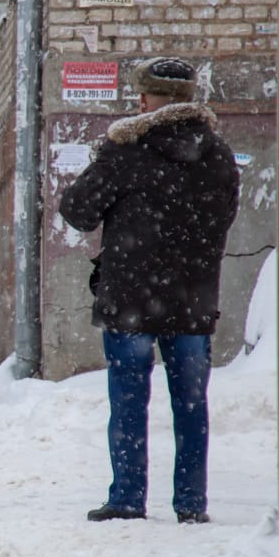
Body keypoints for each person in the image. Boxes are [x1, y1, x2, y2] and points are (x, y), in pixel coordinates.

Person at [59, 56, 240, 523]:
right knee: (191, 404)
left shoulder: (127, 150)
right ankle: (191, 503)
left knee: (128, 400)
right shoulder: (218, 154)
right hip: (193, 299)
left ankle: (127, 497)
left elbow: (78, 210)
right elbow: (225, 217)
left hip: (131, 300)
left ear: (144, 100)